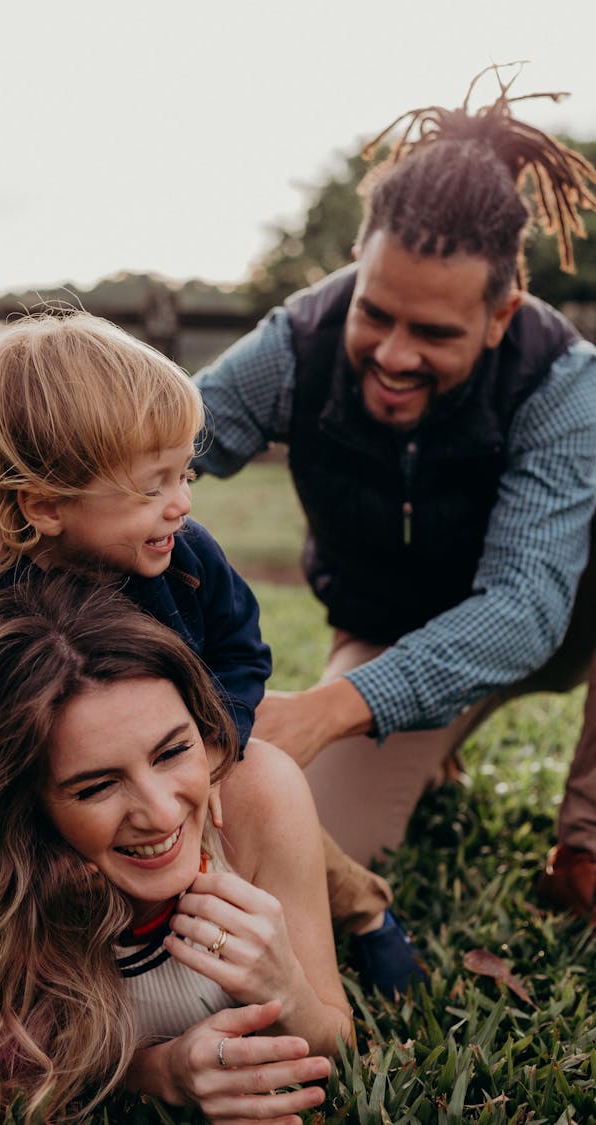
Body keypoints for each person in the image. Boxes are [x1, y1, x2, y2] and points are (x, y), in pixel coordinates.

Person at [191, 66, 596, 919]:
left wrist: (328, 710)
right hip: (388, 630)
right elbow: (155, 443)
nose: (393, 353)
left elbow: (525, 607)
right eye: (376, 313)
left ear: (500, 315)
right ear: (355, 266)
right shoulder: (295, 341)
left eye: (435, 332)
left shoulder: (560, 380)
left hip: (559, 626)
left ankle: (586, 846)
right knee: (297, 845)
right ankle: (427, 735)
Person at [0, 309, 422, 993]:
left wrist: (216, 744)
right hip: (71, 793)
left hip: (186, 760)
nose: (181, 502)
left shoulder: (186, 558)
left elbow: (243, 652)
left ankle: (366, 912)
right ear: (43, 505)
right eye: (150, 485)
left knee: (269, 796)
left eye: (184, 473)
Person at [0, 572, 352, 1122]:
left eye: (173, 751)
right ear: (24, 799)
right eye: (96, 786)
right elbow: (8, 1063)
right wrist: (163, 1072)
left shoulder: (261, 791)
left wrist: (288, 987)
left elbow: (337, 1039)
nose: (162, 813)